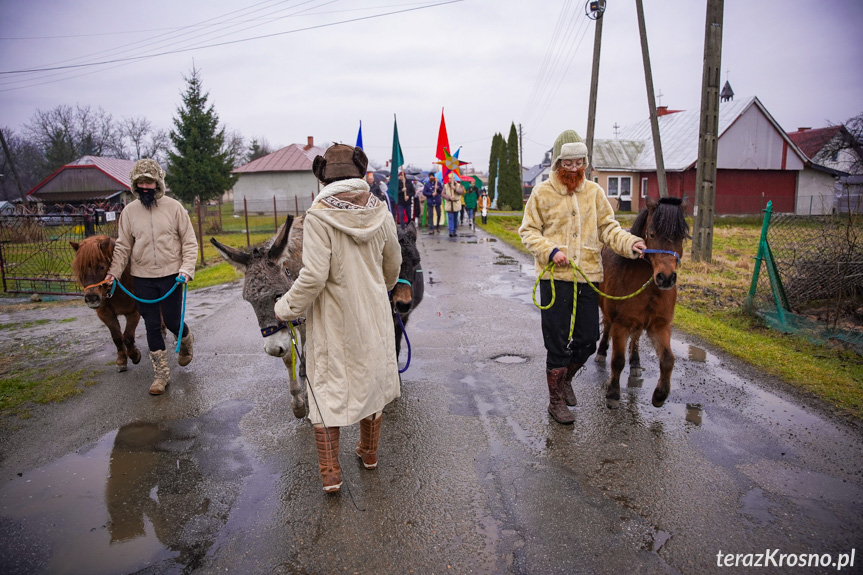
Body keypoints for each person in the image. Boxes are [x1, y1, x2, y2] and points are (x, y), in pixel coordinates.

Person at [274, 143, 402, 493]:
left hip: (334, 319)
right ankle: (370, 453)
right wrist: (379, 289)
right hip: (373, 314)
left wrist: (285, 307)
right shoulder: (382, 212)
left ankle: (331, 474)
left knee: (328, 389)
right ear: (360, 174)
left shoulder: (317, 216)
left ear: (323, 177)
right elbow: (393, 263)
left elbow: (314, 277)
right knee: (370, 381)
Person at [518, 139, 646, 425]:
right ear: (557, 163)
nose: (574, 168)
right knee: (557, 341)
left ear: (586, 163)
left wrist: (631, 244)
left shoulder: (595, 193)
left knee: (589, 339)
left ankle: (566, 381)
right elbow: (528, 232)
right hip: (555, 277)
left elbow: (609, 229)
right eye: (568, 163)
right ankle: (556, 402)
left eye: (579, 163)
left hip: (588, 275)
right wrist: (551, 251)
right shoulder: (542, 193)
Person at [105, 158, 198, 396]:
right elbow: (123, 247)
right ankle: (161, 375)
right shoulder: (129, 212)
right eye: (141, 182)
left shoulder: (174, 208)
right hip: (143, 277)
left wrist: (187, 268)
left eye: (150, 181)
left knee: (172, 321)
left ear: (158, 183)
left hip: (172, 276)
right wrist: (112, 274)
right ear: (134, 185)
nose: (145, 186)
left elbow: (189, 242)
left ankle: (185, 339)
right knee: (152, 326)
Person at [442, 172, 463, 237]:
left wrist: (455, 189)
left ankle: (454, 230)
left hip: (456, 204)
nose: (450, 180)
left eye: (452, 178)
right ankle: (451, 231)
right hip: (449, 204)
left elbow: (461, 192)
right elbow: (442, 194)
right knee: (450, 218)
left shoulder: (458, 185)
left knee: (455, 219)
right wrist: (449, 197)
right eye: (449, 178)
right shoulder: (445, 186)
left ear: (454, 179)